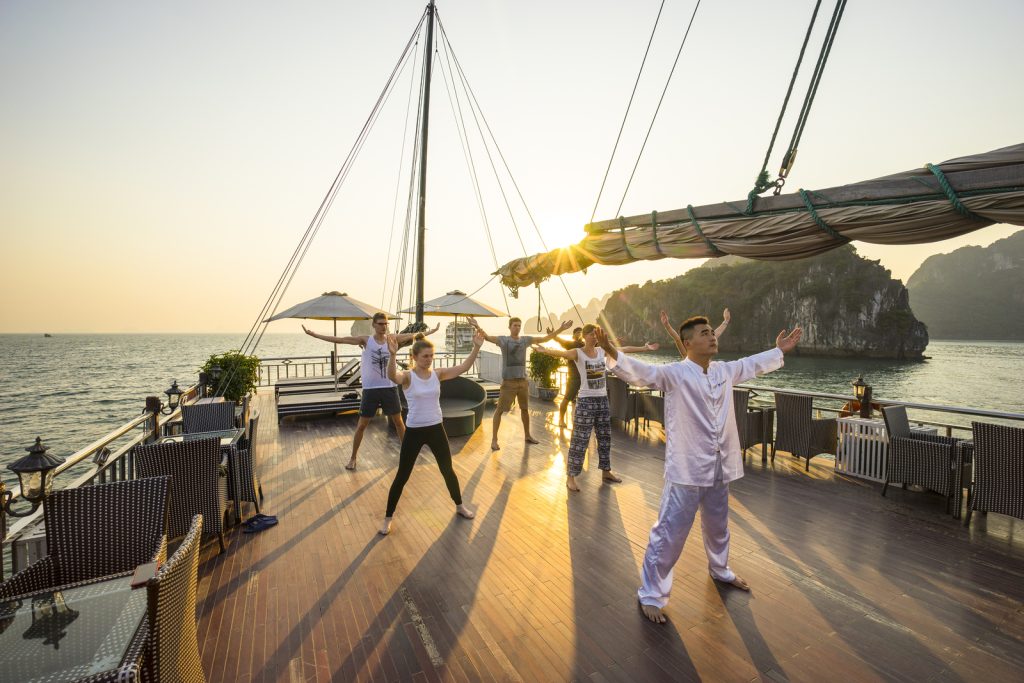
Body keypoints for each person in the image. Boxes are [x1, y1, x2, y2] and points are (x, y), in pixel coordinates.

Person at [595, 318, 802, 624]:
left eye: (712, 332)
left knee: (718, 525)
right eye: (705, 334)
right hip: (687, 470)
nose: (712, 337)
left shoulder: (723, 371)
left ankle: (720, 570)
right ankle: (651, 594)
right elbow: (642, 374)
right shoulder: (676, 374)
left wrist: (777, 350)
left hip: (720, 465)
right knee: (670, 533)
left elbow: (751, 364)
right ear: (688, 343)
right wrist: (611, 350)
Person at [378, 330, 484, 535]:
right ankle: (387, 518)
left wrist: (476, 347)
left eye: (431, 356)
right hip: (415, 431)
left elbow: (463, 367)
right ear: (414, 357)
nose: (429, 360)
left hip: (436, 428)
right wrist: (392, 355)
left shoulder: (438, 375)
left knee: (447, 470)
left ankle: (460, 505)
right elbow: (392, 375)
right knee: (402, 476)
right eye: (425, 356)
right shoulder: (408, 377)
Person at [303, 314, 439, 470]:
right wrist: (314, 335)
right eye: (381, 324)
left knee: (399, 423)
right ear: (374, 325)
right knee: (361, 426)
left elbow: (415, 335)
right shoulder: (366, 341)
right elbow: (340, 340)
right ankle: (353, 458)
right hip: (370, 389)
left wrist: (432, 331)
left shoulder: (392, 338)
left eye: (386, 324)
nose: (384, 326)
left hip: (389, 387)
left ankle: (406, 455)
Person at [532, 324, 624, 491]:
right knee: (579, 440)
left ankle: (606, 471)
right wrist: (545, 350)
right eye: (591, 335)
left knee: (605, 438)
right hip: (586, 401)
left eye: (596, 335)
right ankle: (571, 478)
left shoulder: (602, 351)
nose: (595, 338)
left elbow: (623, 350)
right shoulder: (578, 353)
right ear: (585, 336)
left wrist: (645, 348)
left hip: (602, 400)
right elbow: (562, 353)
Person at [466, 315, 572, 451]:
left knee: (525, 410)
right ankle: (494, 440)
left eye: (519, 325)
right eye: (515, 325)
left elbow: (545, 339)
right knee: (499, 411)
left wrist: (561, 329)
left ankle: (527, 435)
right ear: (509, 327)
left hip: (523, 382)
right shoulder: (503, 340)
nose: (517, 328)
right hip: (508, 383)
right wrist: (476, 325)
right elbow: (487, 337)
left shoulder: (525, 340)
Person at [549, 327, 660, 429]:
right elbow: (559, 346)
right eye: (577, 333)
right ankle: (561, 419)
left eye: (594, 335)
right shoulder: (571, 345)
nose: (579, 335)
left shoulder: (595, 348)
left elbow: (617, 348)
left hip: (590, 383)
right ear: (580, 336)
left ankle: (591, 423)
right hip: (574, 377)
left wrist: (644, 348)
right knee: (567, 399)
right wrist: (550, 340)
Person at [661, 308, 730, 357]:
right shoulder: (688, 356)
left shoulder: (712, 366)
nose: (712, 339)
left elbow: (716, 334)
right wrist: (667, 326)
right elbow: (677, 339)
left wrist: (726, 321)